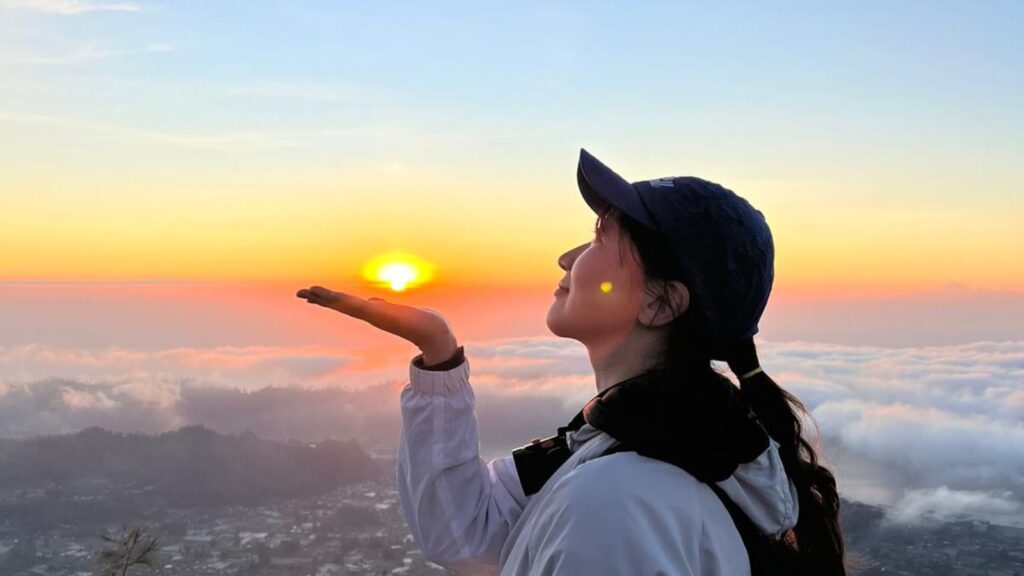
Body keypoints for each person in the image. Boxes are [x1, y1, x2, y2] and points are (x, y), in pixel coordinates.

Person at [296, 148, 846, 575]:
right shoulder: (639, 438)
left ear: (660, 302)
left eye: (599, 237)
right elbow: (466, 535)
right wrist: (439, 357)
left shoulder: (617, 503)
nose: (567, 257)